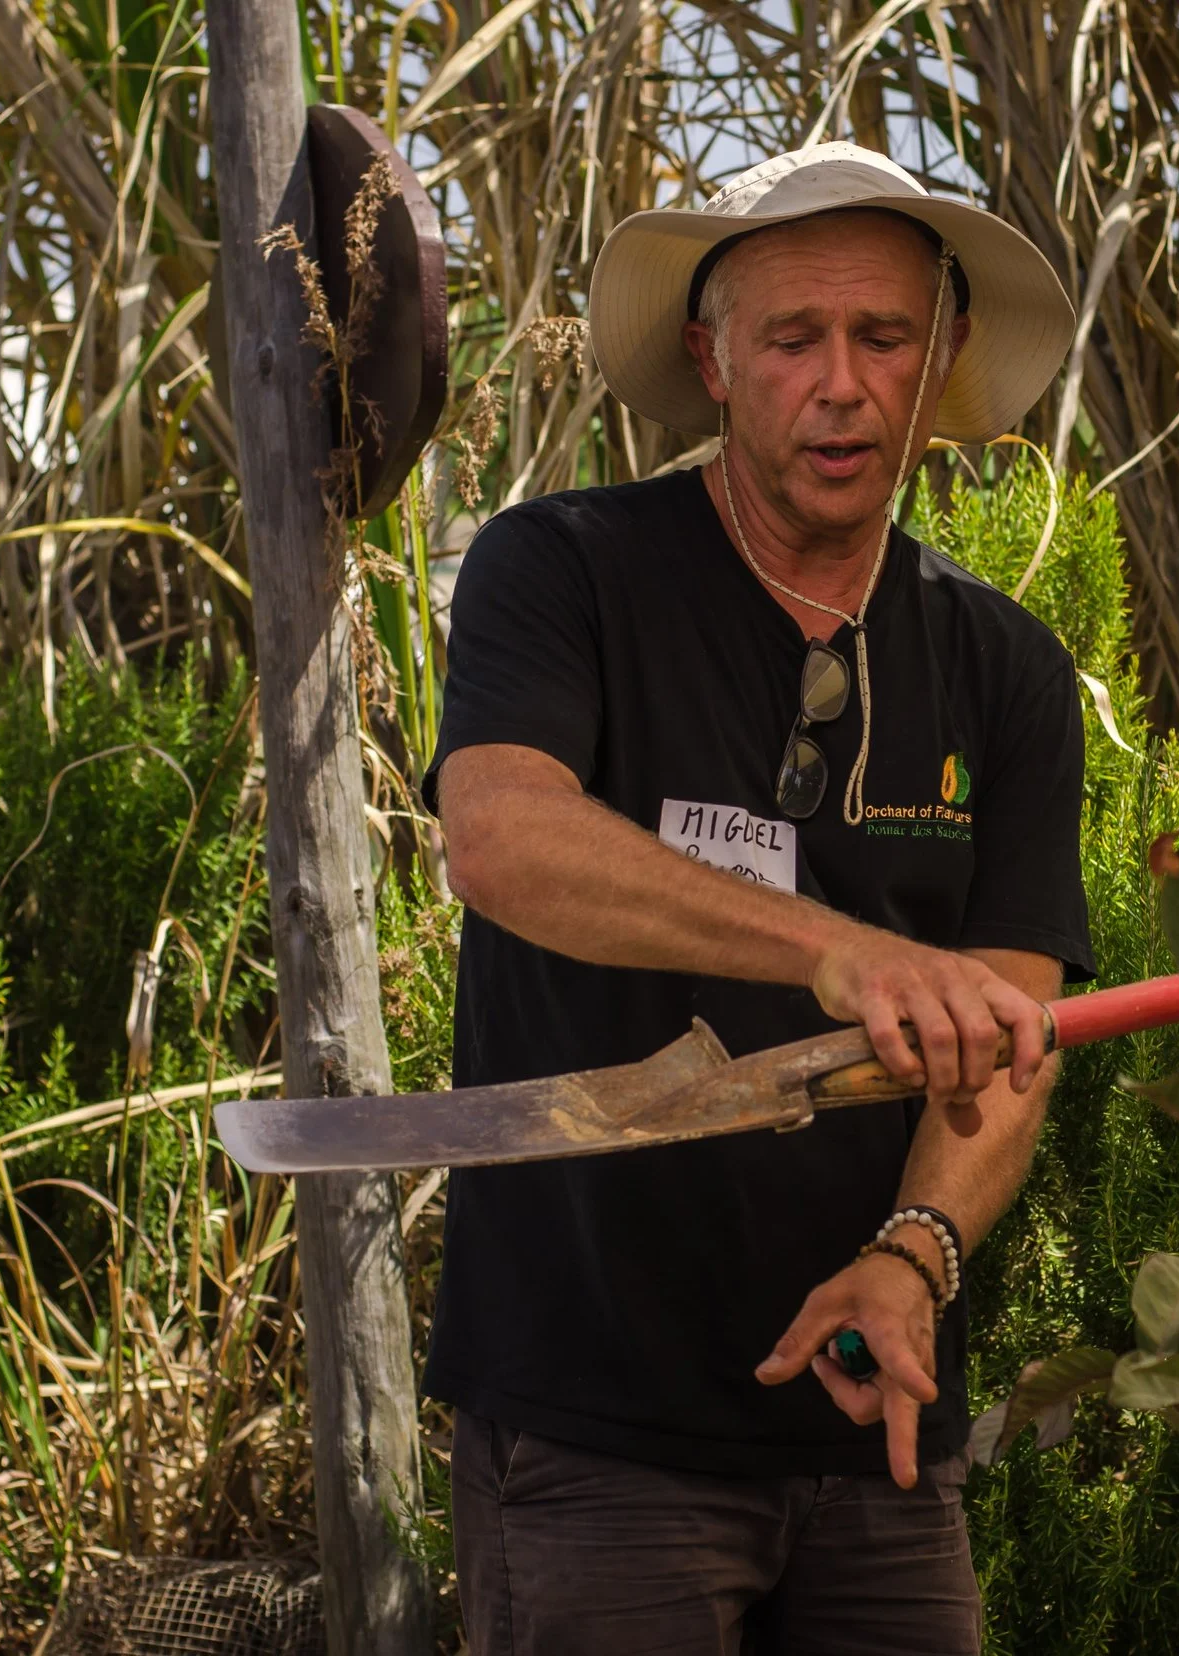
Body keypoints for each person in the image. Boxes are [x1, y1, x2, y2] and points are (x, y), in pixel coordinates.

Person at [420, 143, 1093, 1655]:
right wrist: (841, 957)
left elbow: (1010, 1034)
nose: (839, 386)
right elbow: (501, 839)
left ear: (943, 360)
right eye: (793, 339)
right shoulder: (564, 570)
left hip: (875, 1407)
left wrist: (914, 1254)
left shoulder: (1005, 669)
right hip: (596, 1433)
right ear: (713, 360)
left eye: (882, 337)